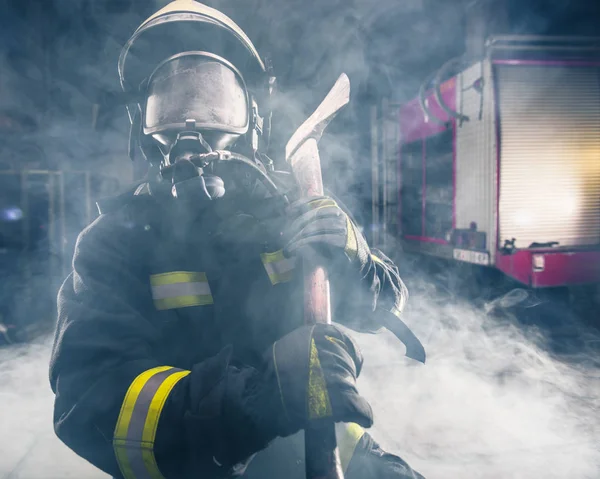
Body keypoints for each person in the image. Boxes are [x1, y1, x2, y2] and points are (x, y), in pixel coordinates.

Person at [49, 1, 425, 478]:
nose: (191, 128)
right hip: (203, 466)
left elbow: (383, 307)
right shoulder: (114, 245)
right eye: (169, 100)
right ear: (142, 129)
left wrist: (357, 260)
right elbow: (88, 403)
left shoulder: (290, 213)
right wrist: (257, 400)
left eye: (213, 98)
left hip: (326, 449)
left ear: (251, 120)